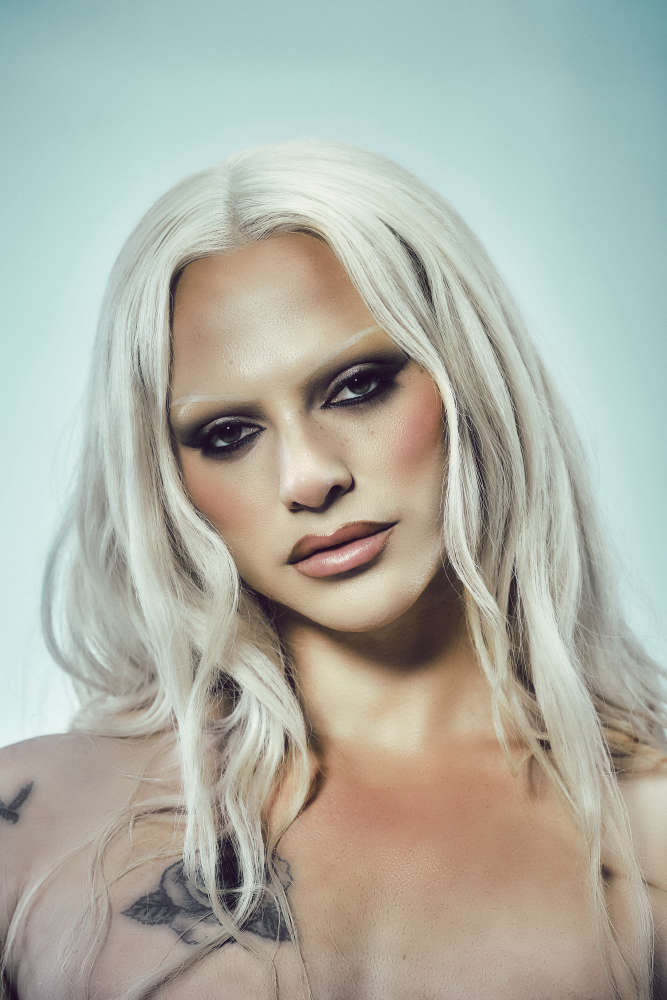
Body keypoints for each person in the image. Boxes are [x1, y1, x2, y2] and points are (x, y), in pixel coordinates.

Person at [0, 139, 665, 1000]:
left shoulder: (650, 833)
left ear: (469, 380)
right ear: (170, 481)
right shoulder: (32, 821)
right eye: (227, 435)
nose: (309, 478)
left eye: (355, 386)